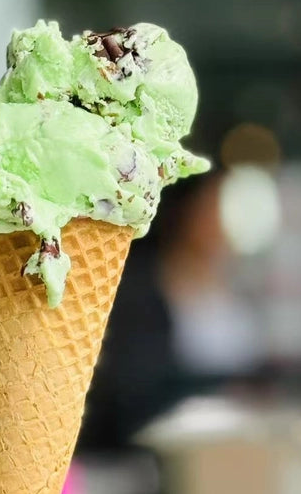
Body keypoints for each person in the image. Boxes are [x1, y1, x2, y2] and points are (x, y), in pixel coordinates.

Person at [81, 170, 263, 449]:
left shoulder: (239, 293)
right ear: (188, 212)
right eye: (213, 210)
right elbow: (129, 388)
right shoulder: (137, 289)